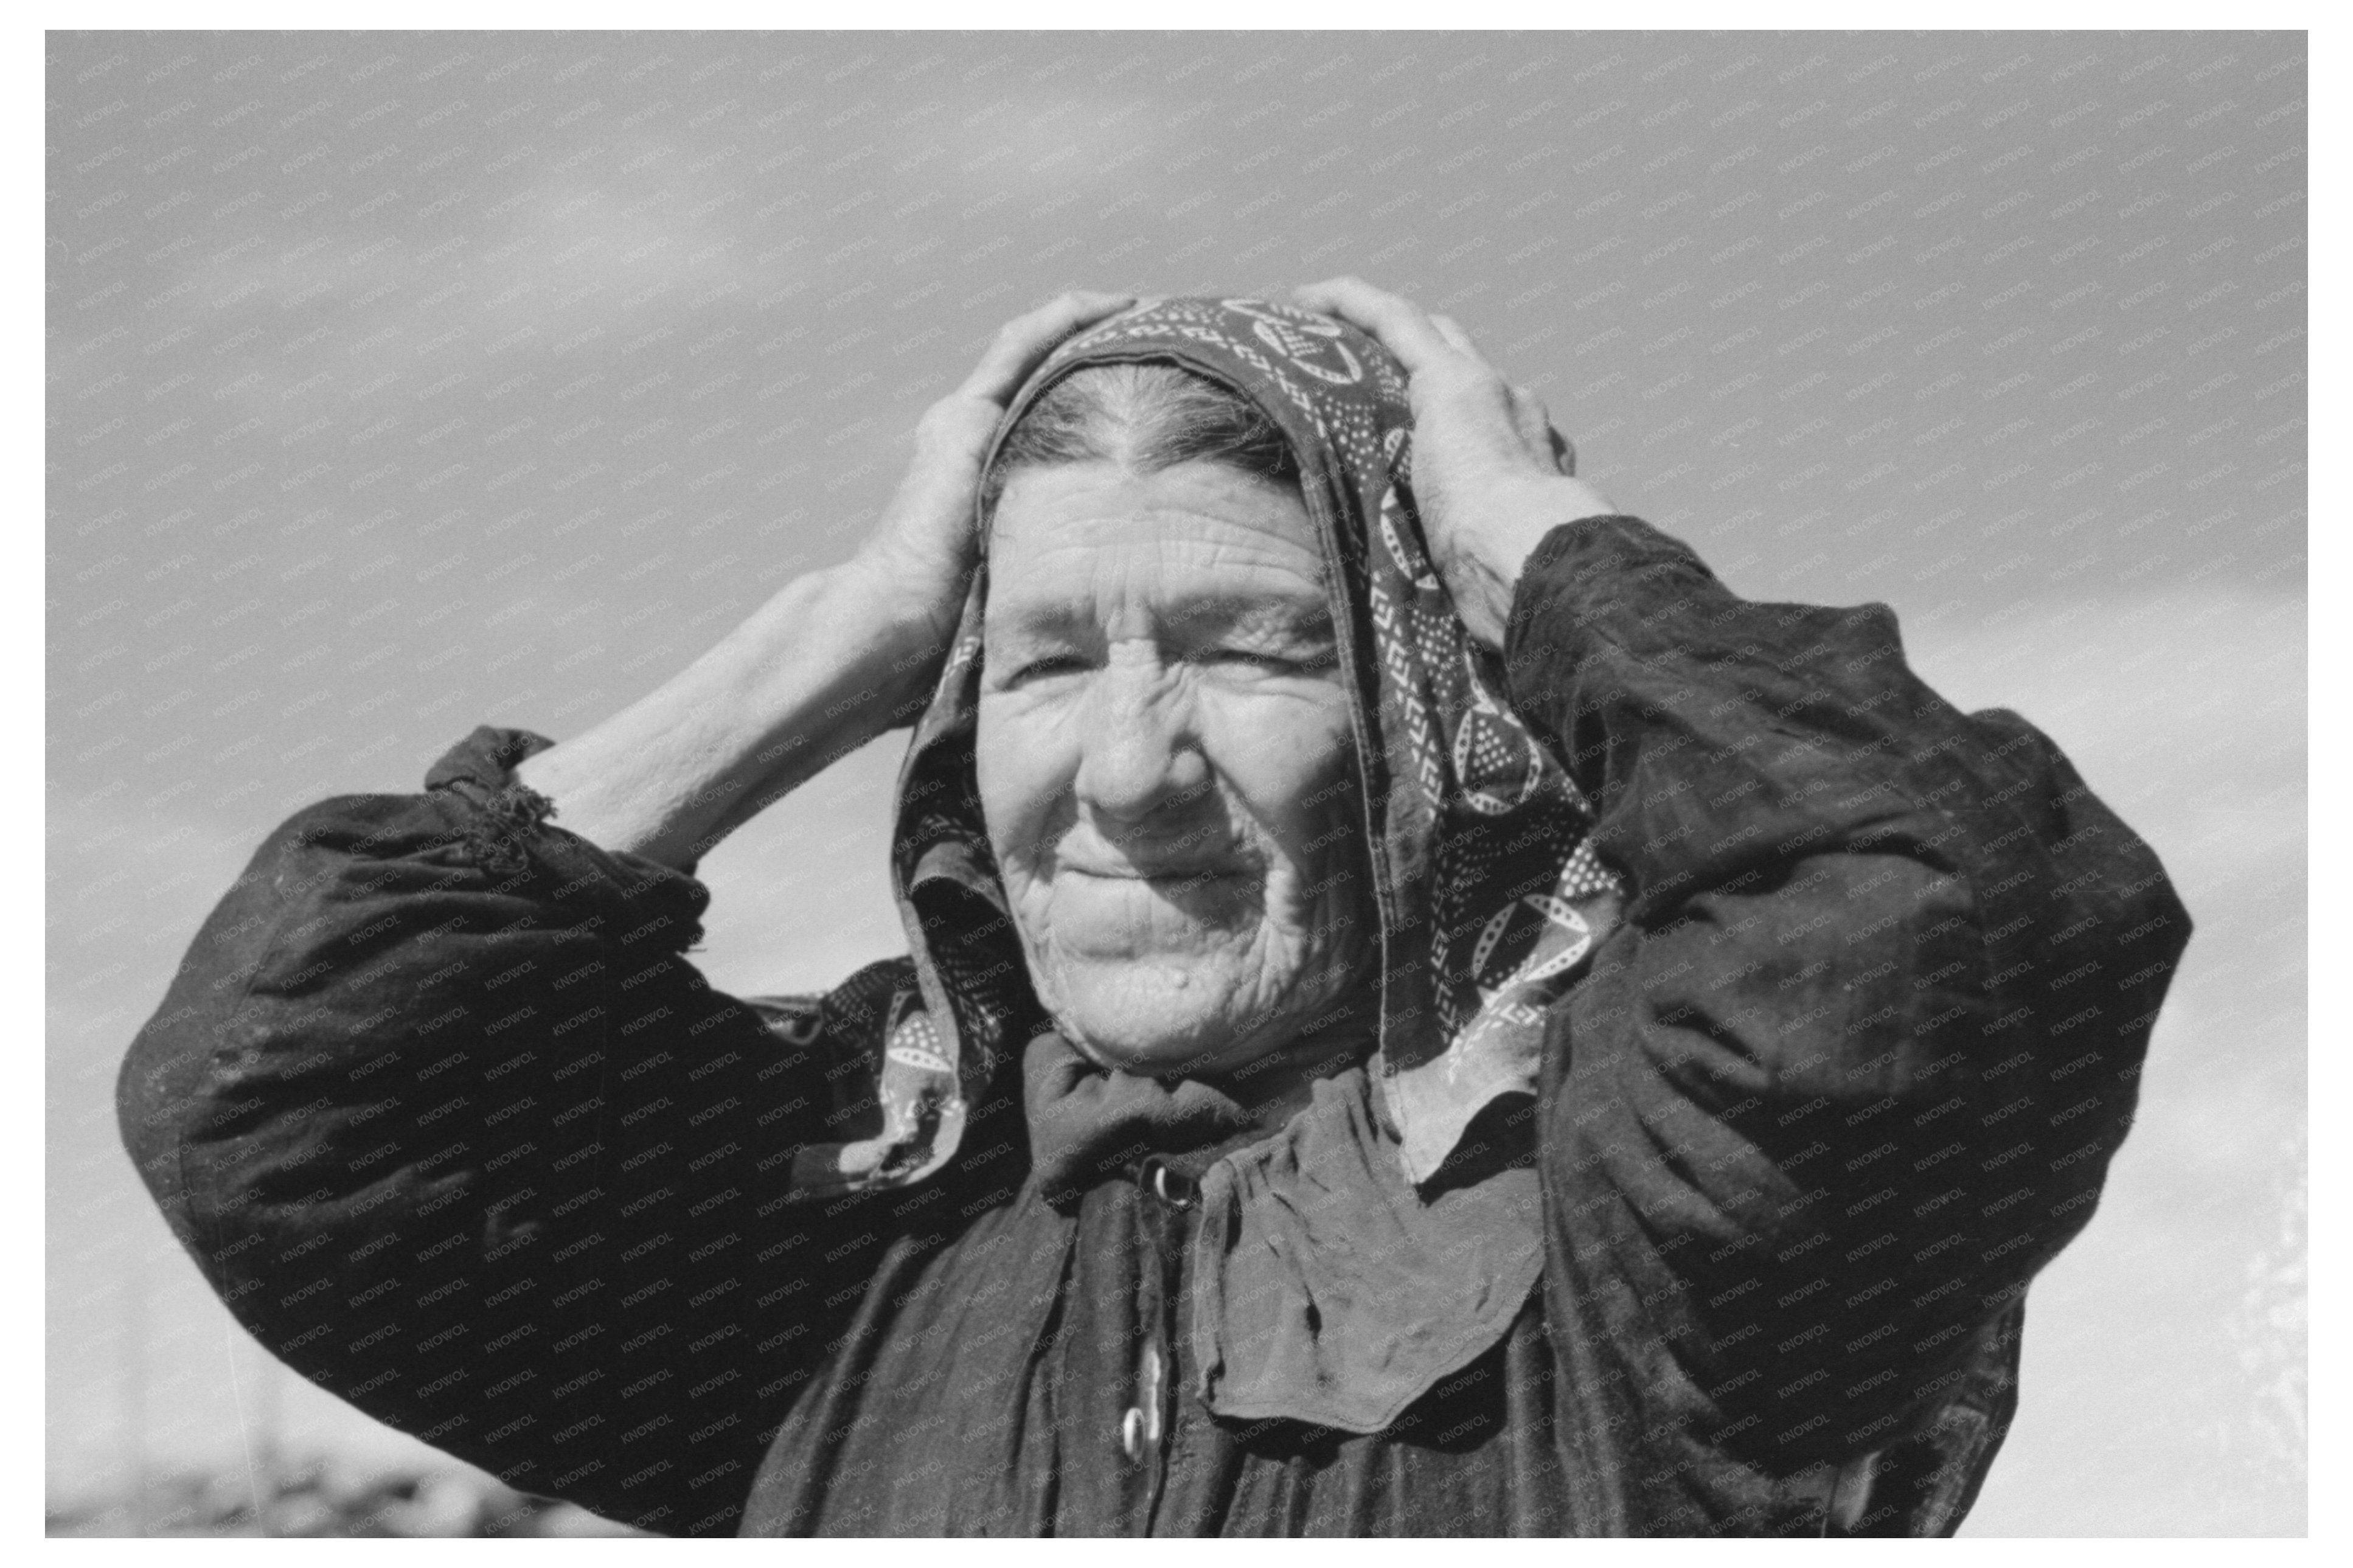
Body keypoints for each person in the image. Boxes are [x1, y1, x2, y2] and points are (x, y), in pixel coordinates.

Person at [117, 282, 2190, 1537]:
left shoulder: (1646, 1215)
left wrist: (1535, 544)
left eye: (1254, 648)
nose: (1120, 770)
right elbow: (284, 1093)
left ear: (1433, 705)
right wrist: (831, 638)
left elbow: (1937, 910)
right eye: (1034, 662)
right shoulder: (840, 1238)